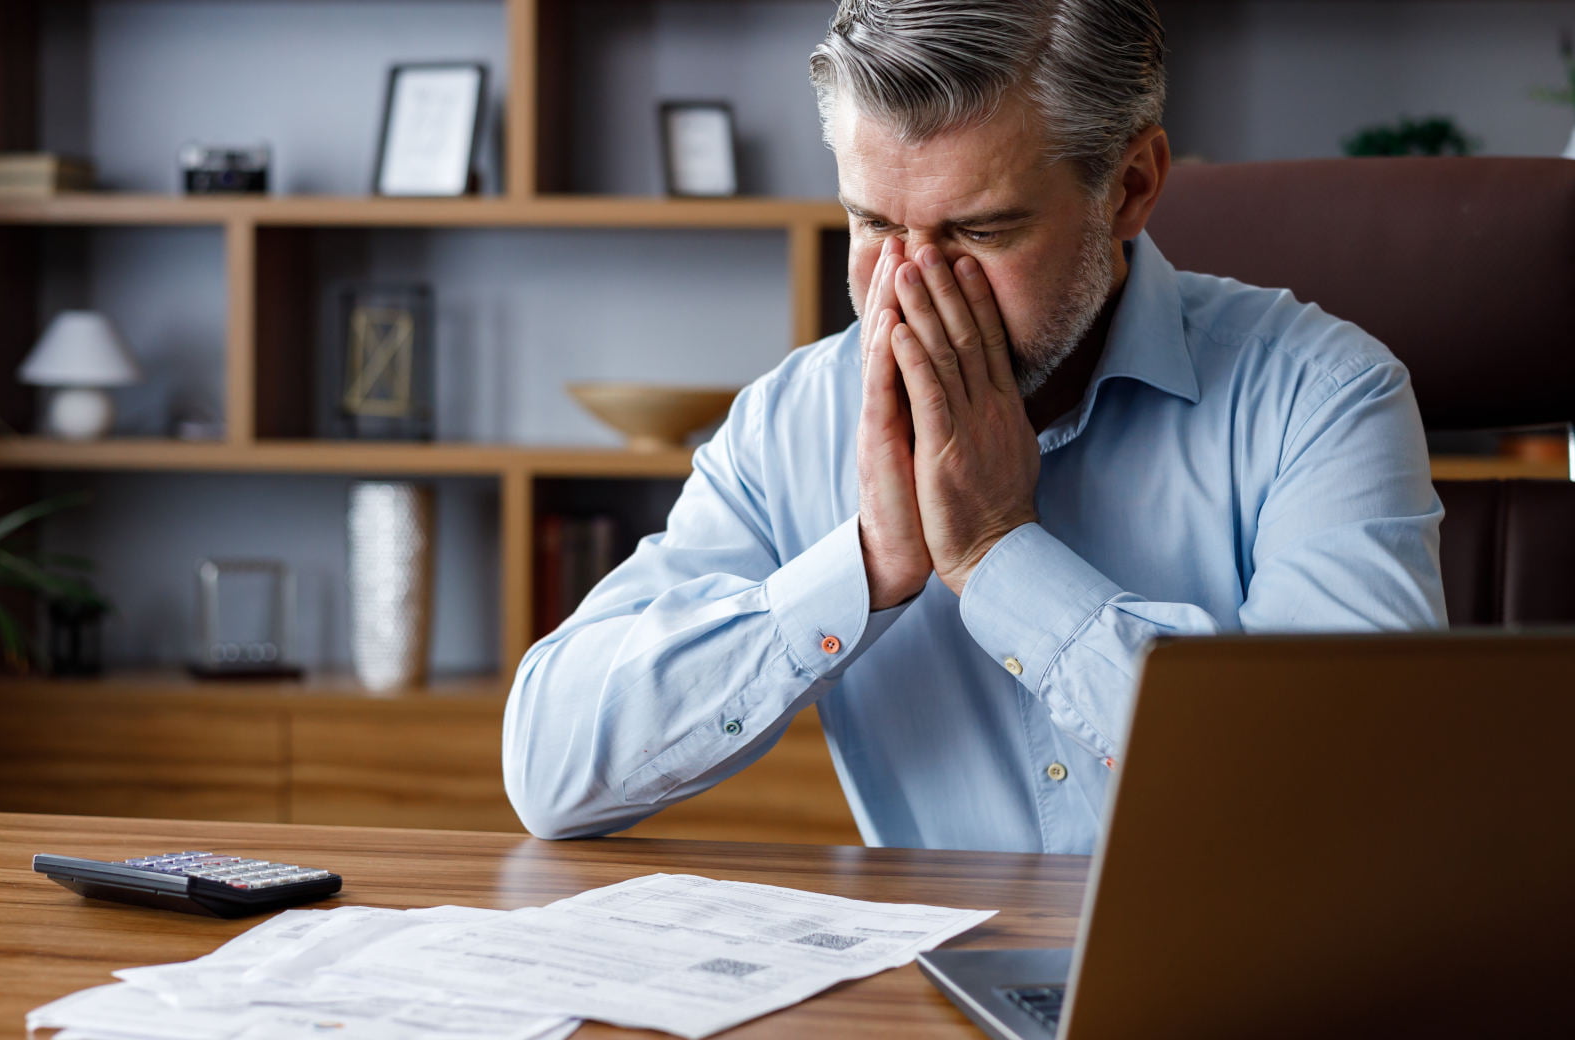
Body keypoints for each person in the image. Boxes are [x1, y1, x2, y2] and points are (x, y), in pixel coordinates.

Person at [504, 0, 1445, 853]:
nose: (909, 289)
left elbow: (1355, 801)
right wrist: (864, 568)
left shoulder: (1323, 395)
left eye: (980, 233)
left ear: (1130, 186)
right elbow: (551, 778)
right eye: (873, 225)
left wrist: (1000, 552)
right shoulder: (794, 418)